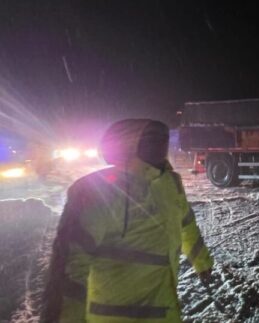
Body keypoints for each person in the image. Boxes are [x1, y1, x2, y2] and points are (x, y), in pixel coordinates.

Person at [42, 119, 213, 322]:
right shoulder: (96, 190)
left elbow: (187, 226)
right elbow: (69, 266)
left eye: (163, 139)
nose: (160, 145)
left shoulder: (171, 183)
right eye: (150, 139)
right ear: (128, 145)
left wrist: (202, 263)